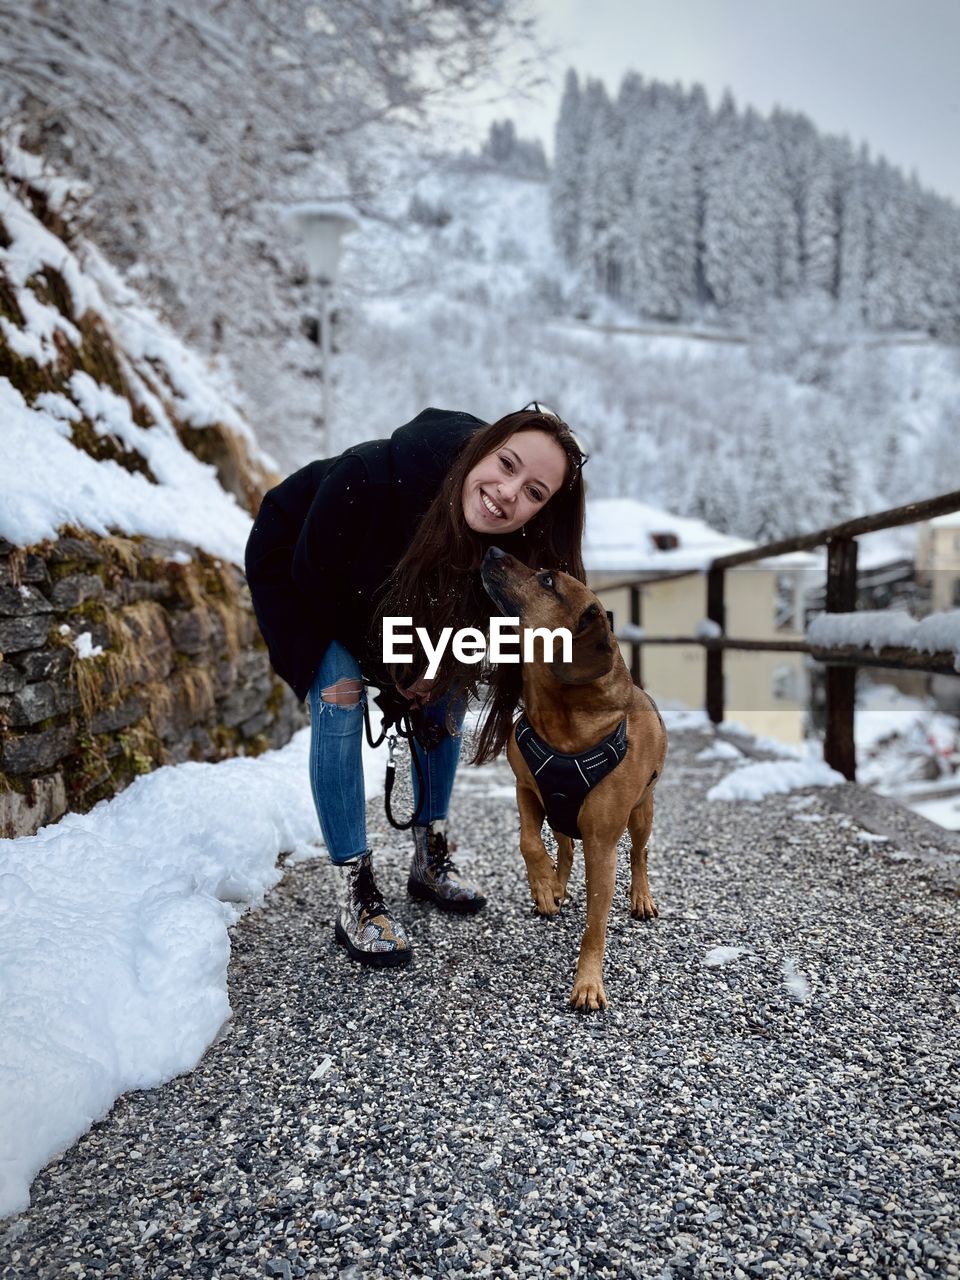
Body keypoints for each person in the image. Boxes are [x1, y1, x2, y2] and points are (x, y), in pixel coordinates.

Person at [245, 405, 588, 968]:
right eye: (505, 464)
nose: (506, 493)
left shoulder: (510, 547)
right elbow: (319, 585)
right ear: (482, 448)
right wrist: (393, 664)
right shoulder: (370, 476)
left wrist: (433, 664)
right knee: (340, 693)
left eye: (533, 492)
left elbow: (476, 623)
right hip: (302, 571)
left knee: (446, 692)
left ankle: (430, 854)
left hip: (393, 601)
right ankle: (354, 888)